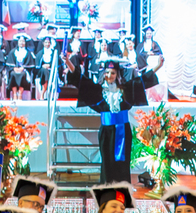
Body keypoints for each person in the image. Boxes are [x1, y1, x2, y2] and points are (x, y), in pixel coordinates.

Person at [63, 54, 159, 184]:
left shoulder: (125, 90)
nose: (109, 75)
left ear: (117, 74)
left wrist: (158, 65)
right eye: (107, 72)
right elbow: (80, 80)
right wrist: (68, 62)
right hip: (106, 132)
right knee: (107, 162)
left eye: (113, 73)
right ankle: (106, 189)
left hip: (123, 131)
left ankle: (123, 188)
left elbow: (143, 81)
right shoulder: (98, 91)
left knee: (123, 163)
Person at [5, 33, 35, 101]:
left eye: (23, 41)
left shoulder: (28, 52)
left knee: (22, 75)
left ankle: (20, 94)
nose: (22, 43)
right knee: (12, 74)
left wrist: (23, 68)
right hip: (14, 70)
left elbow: (30, 64)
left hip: (24, 70)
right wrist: (14, 68)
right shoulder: (13, 52)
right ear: (18, 42)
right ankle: (15, 93)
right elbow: (9, 63)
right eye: (20, 41)